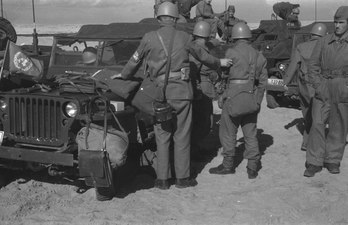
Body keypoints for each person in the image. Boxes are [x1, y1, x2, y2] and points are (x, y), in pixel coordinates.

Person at [111, 2, 232, 189]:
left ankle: (162, 180)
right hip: (182, 93)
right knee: (182, 135)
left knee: (162, 135)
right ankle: (182, 179)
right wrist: (220, 62)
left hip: (159, 94)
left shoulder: (149, 37)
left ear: (159, 18)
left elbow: (134, 61)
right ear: (175, 18)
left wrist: (124, 75)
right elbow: (202, 55)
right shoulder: (184, 37)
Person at [209, 22, 267, 179]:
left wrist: (221, 94)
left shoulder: (231, 53)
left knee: (228, 132)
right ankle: (253, 167)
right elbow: (262, 82)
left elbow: (223, 76)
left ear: (235, 37)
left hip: (232, 98)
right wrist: (257, 101)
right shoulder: (259, 56)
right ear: (248, 36)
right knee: (251, 133)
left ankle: (228, 165)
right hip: (251, 98)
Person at [305, 6, 348, 177]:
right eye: (335, 22)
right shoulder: (324, 41)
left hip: (342, 87)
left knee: (339, 124)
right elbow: (312, 66)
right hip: (323, 85)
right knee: (317, 123)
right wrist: (318, 85)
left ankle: (333, 159)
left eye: (341, 22)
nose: (337, 26)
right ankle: (314, 161)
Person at [283, 23, 328, 152]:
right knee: (320, 115)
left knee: (307, 114)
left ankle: (306, 142)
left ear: (311, 34)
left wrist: (285, 82)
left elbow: (293, 66)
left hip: (304, 86)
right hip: (320, 85)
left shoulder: (301, 47)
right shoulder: (327, 47)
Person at [190, 21, 220, 160]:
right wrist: (196, 90)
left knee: (203, 121)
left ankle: (195, 148)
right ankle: (193, 150)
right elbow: (193, 70)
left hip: (204, 88)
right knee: (203, 122)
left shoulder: (200, 46)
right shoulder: (198, 49)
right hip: (202, 90)